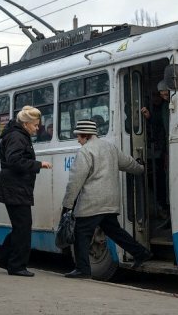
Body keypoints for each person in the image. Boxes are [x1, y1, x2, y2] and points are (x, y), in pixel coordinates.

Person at [61, 119, 152, 279]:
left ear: (85, 135)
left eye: (78, 137)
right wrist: (141, 169)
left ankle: (83, 269)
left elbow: (75, 181)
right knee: (114, 231)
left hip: (92, 202)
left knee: (81, 233)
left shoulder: (85, 152)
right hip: (110, 201)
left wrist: (67, 205)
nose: (77, 140)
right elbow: (128, 163)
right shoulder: (110, 147)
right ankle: (141, 253)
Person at [0, 106, 52, 277]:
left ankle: (5, 260)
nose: (37, 128)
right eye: (35, 125)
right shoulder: (17, 137)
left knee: (20, 226)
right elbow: (14, 160)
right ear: (26, 124)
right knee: (23, 227)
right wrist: (38, 164)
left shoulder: (17, 135)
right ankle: (16, 266)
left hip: (16, 187)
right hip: (15, 187)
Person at [140, 80, 171, 228]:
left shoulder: (172, 104)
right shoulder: (165, 106)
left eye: (165, 92)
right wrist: (149, 117)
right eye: (160, 93)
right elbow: (159, 122)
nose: (162, 95)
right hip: (166, 148)